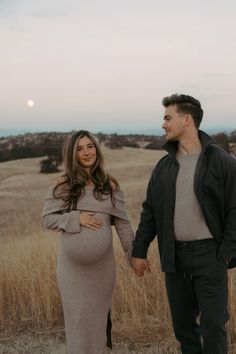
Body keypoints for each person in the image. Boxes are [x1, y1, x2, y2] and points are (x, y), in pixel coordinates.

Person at [131, 94, 236, 354]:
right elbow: (150, 212)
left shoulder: (222, 162)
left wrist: (223, 254)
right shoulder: (164, 166)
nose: (163, 124)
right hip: (174, 257)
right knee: (184, 330)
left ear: (186, 119)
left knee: (213, 329)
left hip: (209, 256)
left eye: (168, 117)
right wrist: (139, 250)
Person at [42, 130, 134, 354]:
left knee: (98, 322)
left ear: (97, 149)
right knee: (76, 321)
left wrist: (133, 255)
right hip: (71, 271)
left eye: (90, 146)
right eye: (80, 148)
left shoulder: (110, 186)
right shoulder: (63, 185)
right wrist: (76, 218)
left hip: (102, 270)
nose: (86, 152)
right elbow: (48, 219)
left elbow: (123, 223)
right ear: (72, 154)